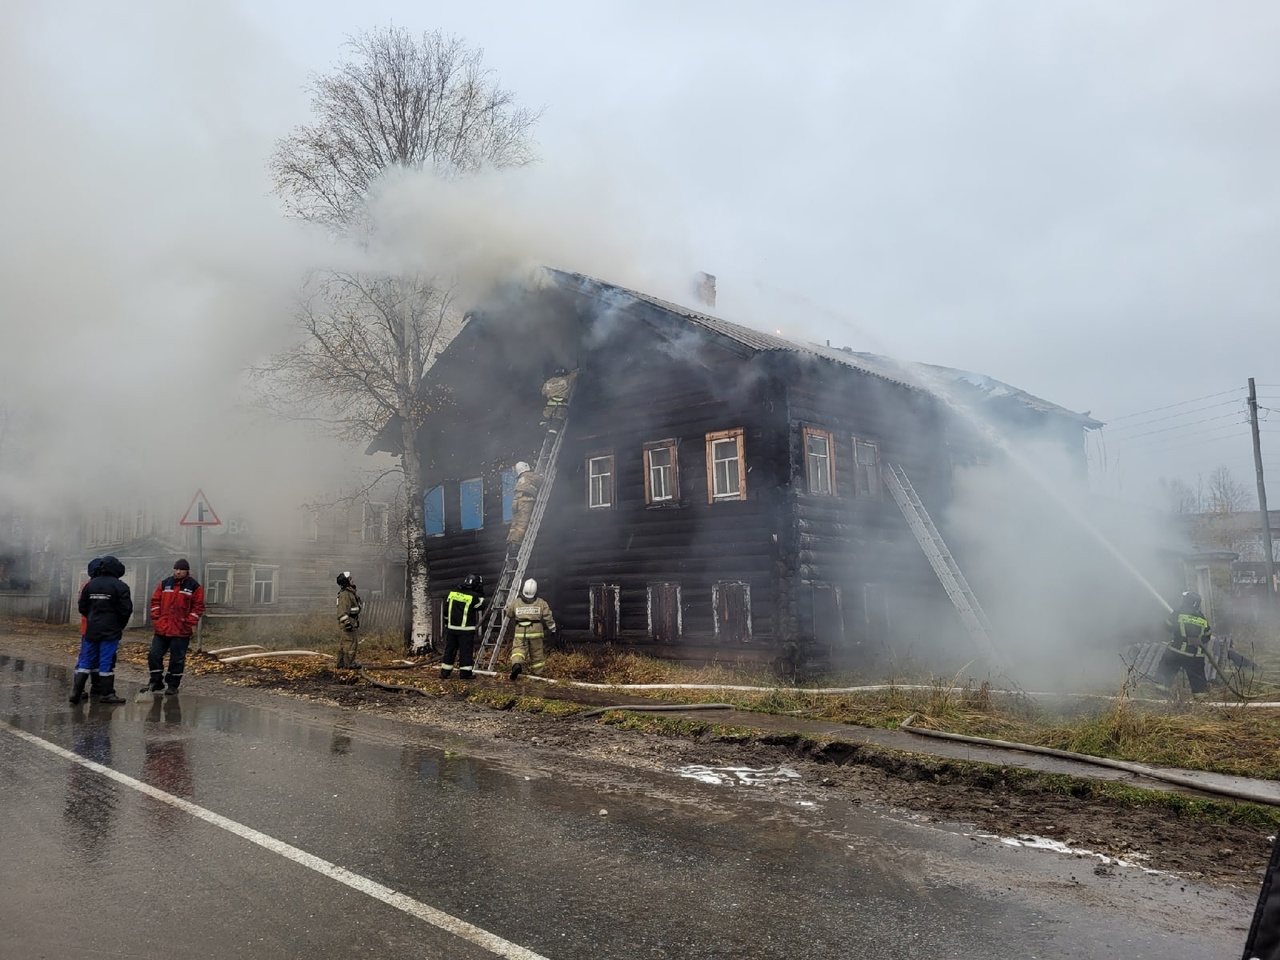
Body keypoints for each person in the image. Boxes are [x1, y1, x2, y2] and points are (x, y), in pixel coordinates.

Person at [141, 558, 205, 696]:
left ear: (187, 571)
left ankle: (173, 685)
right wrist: (156, 619)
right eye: (176, 569)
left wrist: (188, 622)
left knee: (177, 659)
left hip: (181, 630)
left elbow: (198, 607)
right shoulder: (165, 584)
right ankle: (155, 681)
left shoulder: (194, 586)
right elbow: (155, 602)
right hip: (162, 628)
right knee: (154, 655)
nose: (178, 572)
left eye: (181, 569)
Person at [74, 555, 132, 704]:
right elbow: (126, 610)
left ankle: (76, 693)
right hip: (110, 630)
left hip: (91, 629)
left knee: (86, 660)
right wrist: (119, 625)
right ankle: (106, 694)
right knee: (105, 661)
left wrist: (93, 618)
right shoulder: (120, 586)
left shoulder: (90, 585)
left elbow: (82, 607)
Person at [1157, 590, 1211, 697]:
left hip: (1177, 651)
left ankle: (1162, 693)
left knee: (1167, 668)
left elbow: (1167, 626)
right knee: (1198, 678)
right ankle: (1201, 700)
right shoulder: (1202, 618)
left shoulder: (1178, 613)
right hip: (1196, 655)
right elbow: (1207, 636)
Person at [503, 578, 556, 681]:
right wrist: (553, 629)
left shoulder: (516, 602)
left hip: (520, 631)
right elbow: (548, 617)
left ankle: (517, 664)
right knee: (537, 653)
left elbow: (509, 613)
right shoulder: (541, 603)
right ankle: (538, 674)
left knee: (518, 650)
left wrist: (507, 607)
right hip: (536, 631)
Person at [440, 573, 485, 681]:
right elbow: (481, 606)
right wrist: (480, 593)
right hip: (465, 630)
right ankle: (465, 674)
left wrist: (447, 623)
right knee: (465, 652)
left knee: (449, 651)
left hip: (451, 629)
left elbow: (446, 611)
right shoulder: (473, 596)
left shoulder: (453, 593)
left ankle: (444, 673)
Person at [506, 462, 543, 558]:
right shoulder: (529, 475)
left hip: (516, 501)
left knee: (515, 524)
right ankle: (515, 547)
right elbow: (540, 479)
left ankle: (510, 544)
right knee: (522, 524)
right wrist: (541, 475)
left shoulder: (520, 479)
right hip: (525, 500)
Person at [335, 571, 363, 669]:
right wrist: (347, 623)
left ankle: (341, 663)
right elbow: (342, 611)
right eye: (350, 579)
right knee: (350, 644)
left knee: (345, 643)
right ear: (346, 582)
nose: (353, 580)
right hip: (348, 622)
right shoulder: (345, 595)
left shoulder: (349, 593)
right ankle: (349, 664)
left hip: (352, 621)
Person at [540, 367, 577, 435]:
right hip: (561, 406)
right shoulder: (567, 379)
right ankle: (550, 438)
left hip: (549, 406)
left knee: (544, 420)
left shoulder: (548, 382)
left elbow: (543, 392)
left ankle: (543, 430)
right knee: (555, 427)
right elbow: (575, 375)